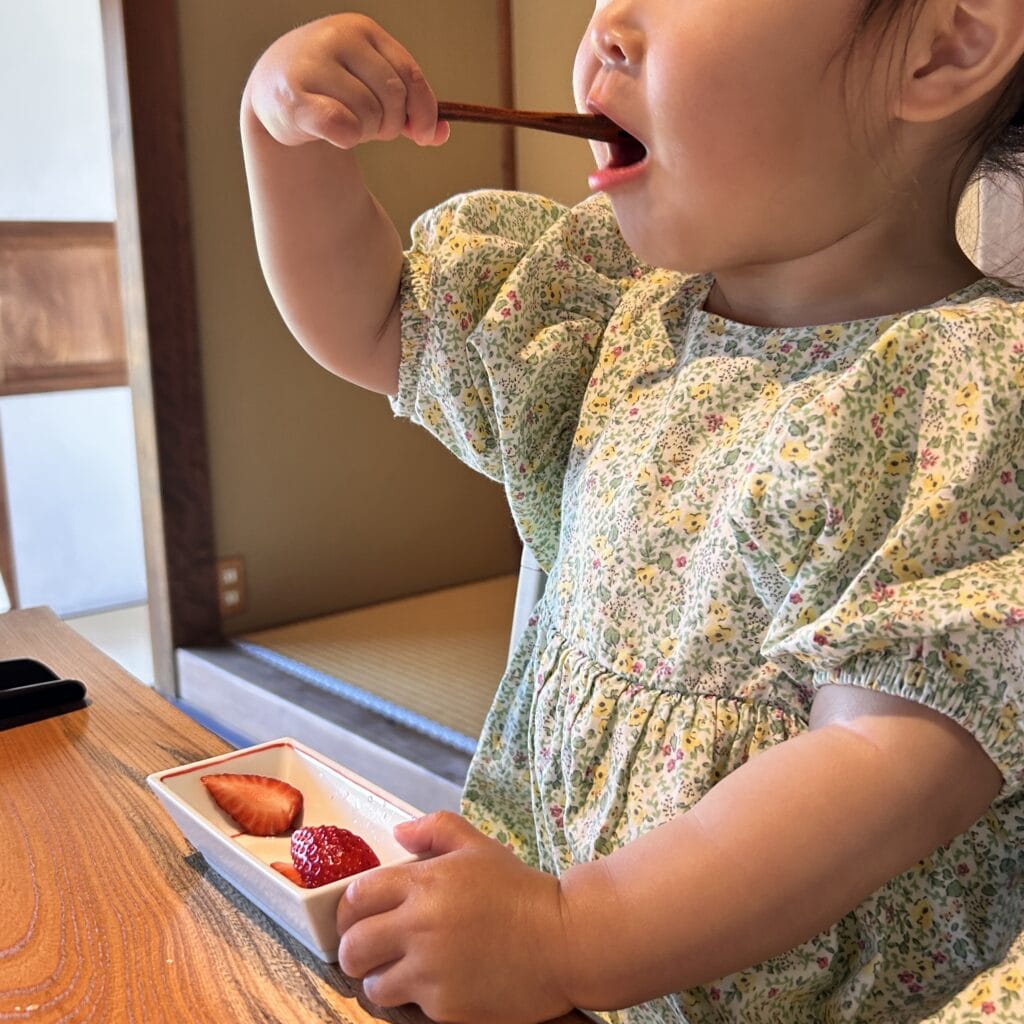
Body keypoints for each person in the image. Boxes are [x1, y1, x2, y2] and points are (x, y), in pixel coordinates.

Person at [241, 2, 1024, 1021]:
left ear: (945, 45)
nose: (604, 26)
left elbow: (888, 767)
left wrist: (569, 934)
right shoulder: (618, 309)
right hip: (553, 972)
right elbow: (378, 320)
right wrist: (284, 139)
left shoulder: (971, 394)